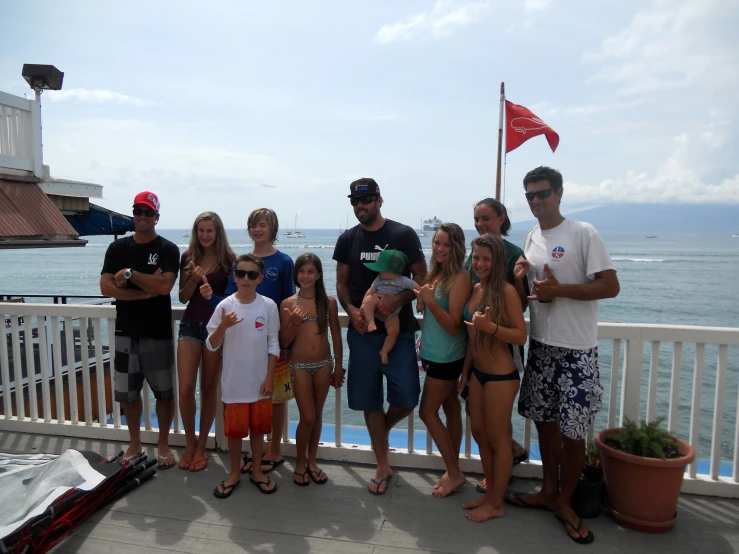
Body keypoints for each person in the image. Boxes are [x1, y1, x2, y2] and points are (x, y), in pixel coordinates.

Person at [510, 166, 620, 544]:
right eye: (530, 196)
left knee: (574, 434)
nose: (537, 201)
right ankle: (547, 491)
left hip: (577, 351)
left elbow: (610, 285)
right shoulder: (530, 236)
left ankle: (567, 502)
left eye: (543, 194)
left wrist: (562, 291)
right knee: (545, 426)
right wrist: (521, 278)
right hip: (541, 345)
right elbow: (536, 291)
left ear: (559, 193)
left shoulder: (583, 233)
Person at [333, 178, 427, 495]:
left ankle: (381, 434)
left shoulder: (403, 235)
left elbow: (422, 278)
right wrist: (352, 310)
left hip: (398, 332)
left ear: (379, 200)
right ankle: (382, 465)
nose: (361, 206)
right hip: (363, 332)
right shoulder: (348, 239)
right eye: (356, 202)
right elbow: (342, 284)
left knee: (408, 396)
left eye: (367, 200)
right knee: (369, 400)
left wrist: (399, 301)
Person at [202, 208, 295, 475]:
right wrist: (210, 298)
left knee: (275, 398)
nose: (257, 230)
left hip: (271, 340)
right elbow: (230, 301)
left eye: (262, 225)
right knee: (251, 398)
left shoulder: (284, 261)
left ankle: (274, 449)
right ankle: (254, 454)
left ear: (272, 228)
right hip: (243, 341)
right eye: (253, 225)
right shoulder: (242, 263)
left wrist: (286, 342)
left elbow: (289, 301)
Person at [99, 191, 180, 469]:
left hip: (157, 332)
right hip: (125, 332)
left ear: (157, 216)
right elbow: (106, 287)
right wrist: (144, 292)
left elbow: (165, 287)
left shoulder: (169, 249)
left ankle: (163, 443)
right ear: (133, 214)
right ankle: (134, 443)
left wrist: (130, 276)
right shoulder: (117, 249)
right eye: (138, 212)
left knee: (165, 394)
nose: (142, 217)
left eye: (148, 213)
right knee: (128, 395)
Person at [459, 234, 528, 522]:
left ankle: (497, 503)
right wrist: (465, 374)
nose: (480, 263)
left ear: (497, 260)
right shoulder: (475, 288)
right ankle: (490, 494)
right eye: (476, 258)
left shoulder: (506, 291)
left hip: (501, 376)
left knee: (499, 440)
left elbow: (521, 335)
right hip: (478, 373)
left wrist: (491, 328)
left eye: (486, 259)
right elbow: (472, 337)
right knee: (479, 434)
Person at [206, 254, 280, 498]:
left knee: (259, 431)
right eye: (241, 274)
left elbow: (273, 344)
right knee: (235, 433)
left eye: (251, 274)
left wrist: (270, 378)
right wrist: (223, 326)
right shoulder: (225, 306)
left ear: (259, 278)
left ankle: (257, 471)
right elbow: (211, 344)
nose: (245, 279)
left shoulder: (268, 306)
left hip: (260, 383)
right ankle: (235, 472)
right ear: (234, 276)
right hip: (234, 384)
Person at [414, 223, 471, 497]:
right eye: (437, 243)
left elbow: (453, 325)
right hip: (433, 353)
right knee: (450, 409)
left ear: (456, 247)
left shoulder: (460, 277)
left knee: (427, 412)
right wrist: (423, 301)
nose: (440, 248)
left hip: (447, 356)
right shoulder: (435, 273)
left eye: (446, 244)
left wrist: (430, 301)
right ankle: (453, 467)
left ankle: (455, 473)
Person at [176, 212, 235, 472]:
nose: (205, 235)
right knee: (186, 387)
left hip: (215, 330)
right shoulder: (188, 258)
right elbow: (182, 297)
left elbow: (231, 300)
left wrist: (211, 292)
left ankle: (202, 447)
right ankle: (190, 442)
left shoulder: (229, 260)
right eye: (201, 230)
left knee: (209, 387)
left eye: (210, 231)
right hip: (190, 325)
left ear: (218, 232)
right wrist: (194, 278)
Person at [280, 253, 344, 486]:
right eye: (302, 271)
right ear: (296, 275)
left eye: (310, 271)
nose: (305, 276)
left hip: (324, 364)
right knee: (307, 416)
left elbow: (336, 336)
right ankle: (299, 462)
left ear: (318, 275)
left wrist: (338, 366)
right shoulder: (288, 303)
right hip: (300, 367)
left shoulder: (328, 302)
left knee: (316, 416)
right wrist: (295, 323)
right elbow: (284, 341)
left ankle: (312, 461)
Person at [361, 249, 422, 364]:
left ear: (390, 270)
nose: (378, 271)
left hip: (392, 313)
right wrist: (364, 303)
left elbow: (418, 289)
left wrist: (420, 303)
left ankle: (384, 351)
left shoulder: (403, 281)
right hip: (376, 302)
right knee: (369, 300)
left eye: (380, 269)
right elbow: (370, 291)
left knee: (394, 331)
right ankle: (371, 322)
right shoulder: (379, 279)